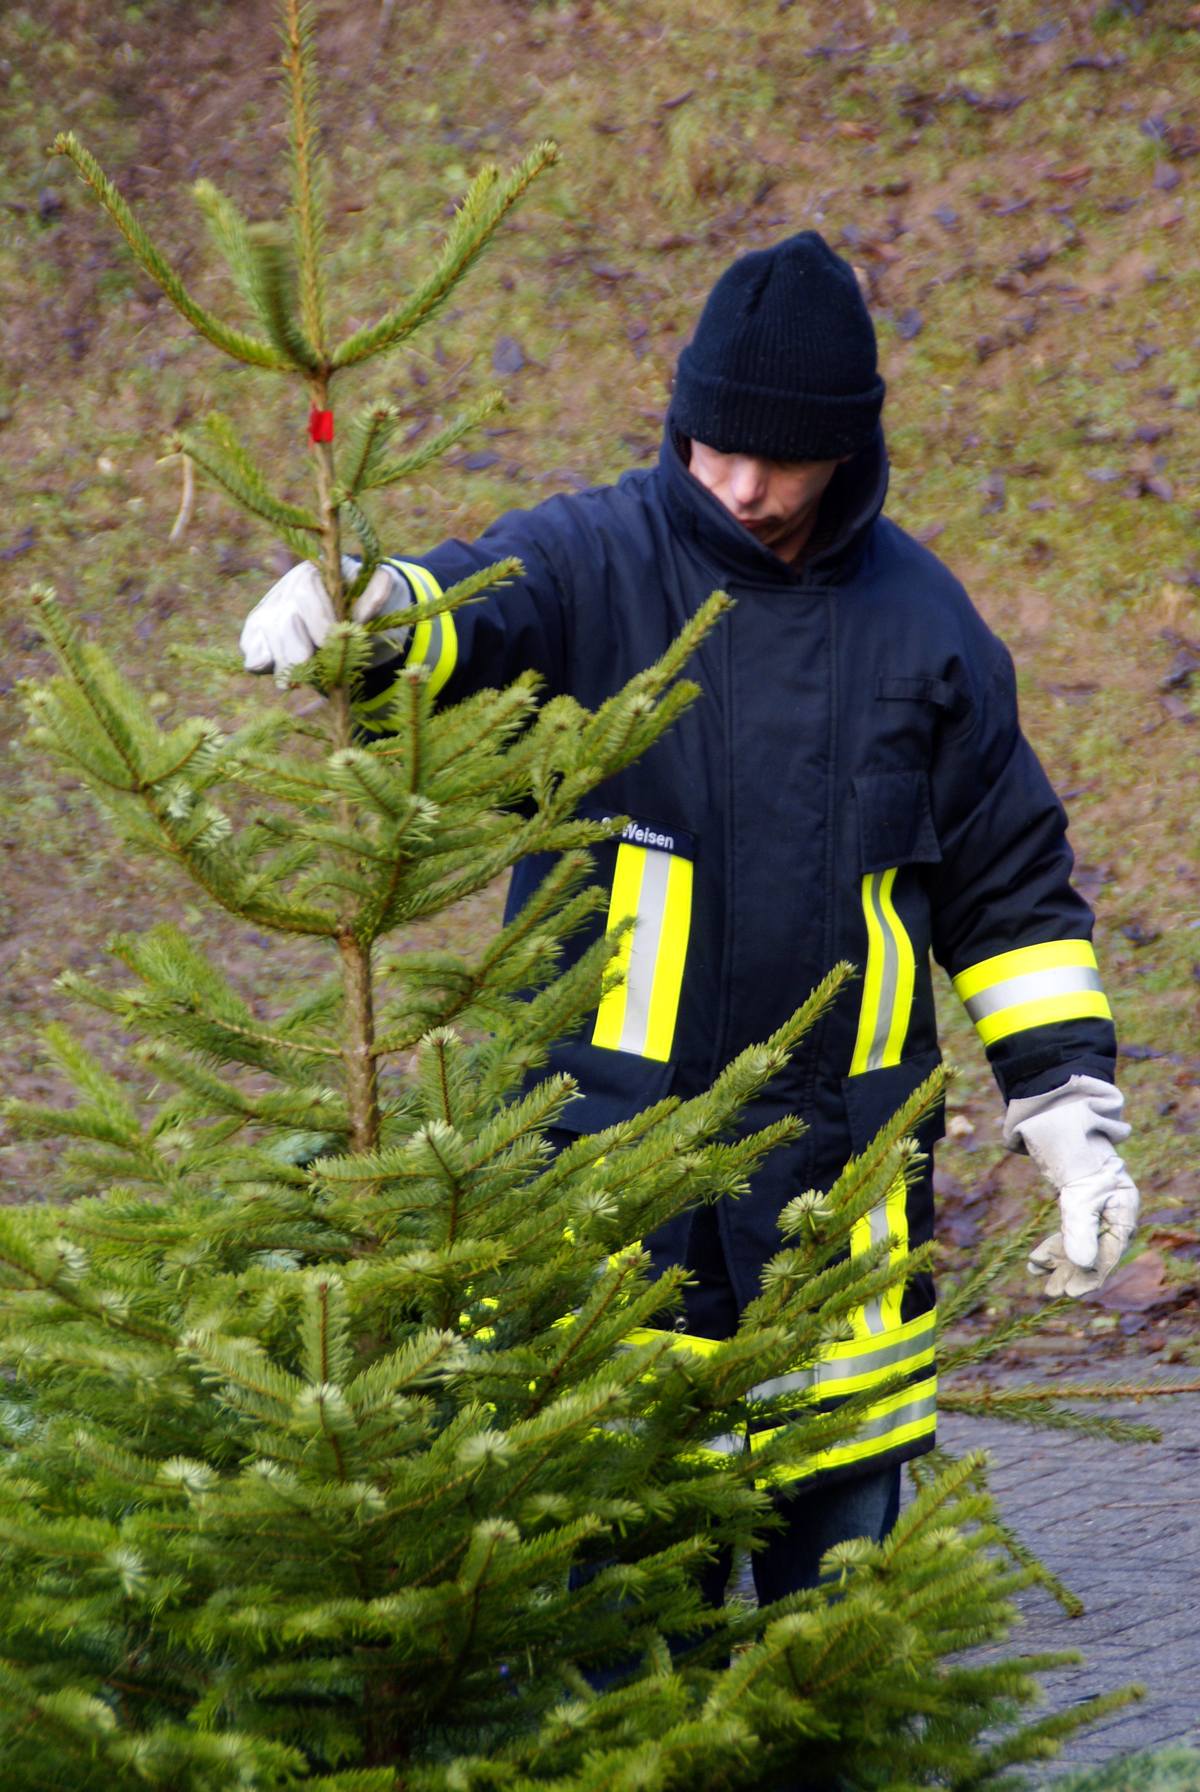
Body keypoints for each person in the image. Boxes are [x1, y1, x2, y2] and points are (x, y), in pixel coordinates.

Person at [239, 233, 1139, 1601]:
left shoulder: (930, 633)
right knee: (605, 1628)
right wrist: (360, 606)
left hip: (833, 1207)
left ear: (851, 449)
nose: (739, 484)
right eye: (713, 444)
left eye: (778, 458)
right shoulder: (597, 560)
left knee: (829, 1636)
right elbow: (468, 605)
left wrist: (1068, 1109)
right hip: (607, 1201)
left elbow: (1009, 892)